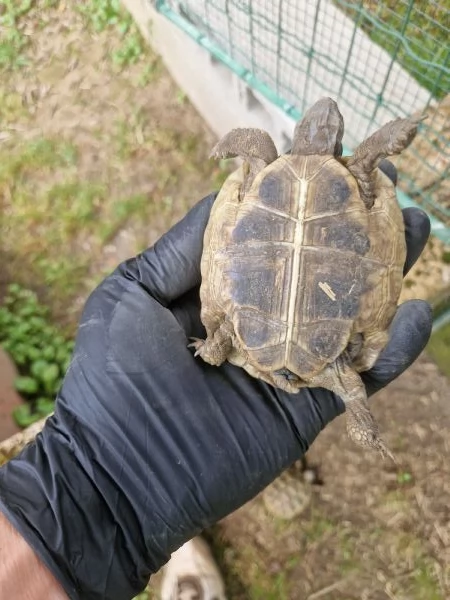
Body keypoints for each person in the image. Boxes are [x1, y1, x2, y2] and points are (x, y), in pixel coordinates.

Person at [0, 161, 433, 600]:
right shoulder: (317, 174)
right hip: (310, 342)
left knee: (284, 345)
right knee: (346, 367)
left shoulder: (266, 172)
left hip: (248, 336)